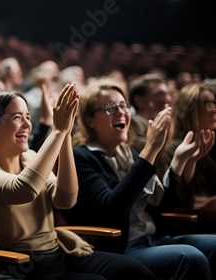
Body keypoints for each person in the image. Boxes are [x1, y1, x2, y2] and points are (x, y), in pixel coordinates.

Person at [0, 85, 156, 280]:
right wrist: (57, 131)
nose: (27, 124)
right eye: (17, 117)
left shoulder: (31, 158)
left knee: (134, 271)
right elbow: (22, 190)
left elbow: (65, 199)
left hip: (57, 253)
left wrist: (65, 134)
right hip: (23, 265)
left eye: (27, 116)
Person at [64, 79, 216, 280]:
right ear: (89, 120)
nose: (121, 112)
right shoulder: (82, 157)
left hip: (152, 239)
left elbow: (164, 207)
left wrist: (181, 161)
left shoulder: (130, 155)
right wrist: (151, 149)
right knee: (190, 258)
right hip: (123, 247)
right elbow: (112, 210)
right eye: (110, 107)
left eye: (123, 106)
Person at [165, 82, 216, 228]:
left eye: (215, 103)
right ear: (190, 109)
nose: (214, 109)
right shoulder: (173, 149)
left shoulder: (212, 143)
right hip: (189, 222)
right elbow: (178, 200)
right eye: (208, 103)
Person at [129, 73, 173, 176]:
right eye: (160, 94)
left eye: (168, 94)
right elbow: (149, 159)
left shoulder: (170, 123)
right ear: (139, 101)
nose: (168, 99)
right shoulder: (134, 123)